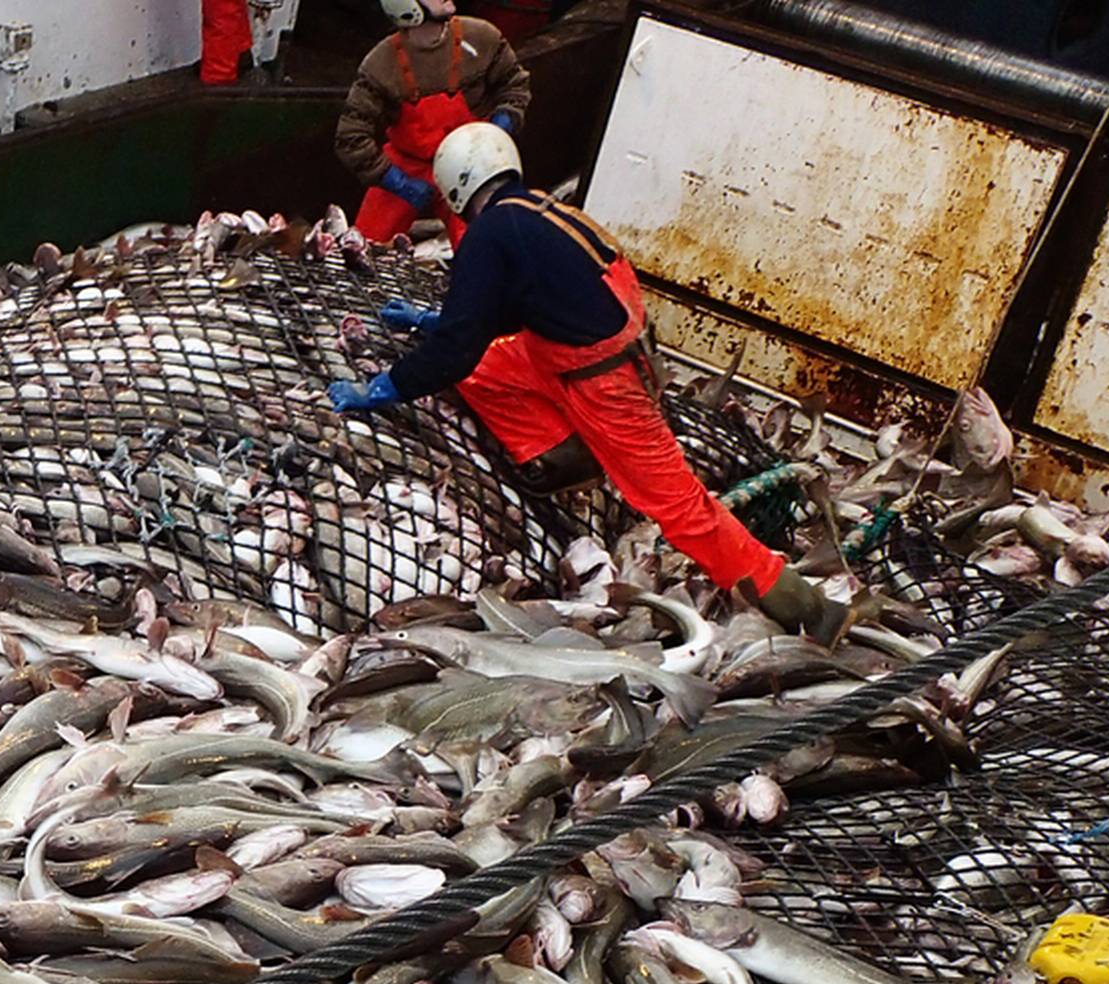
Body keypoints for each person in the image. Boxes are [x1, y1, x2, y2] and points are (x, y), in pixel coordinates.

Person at [326, 122, 844, 638]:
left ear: (455, 185)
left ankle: (810, 610)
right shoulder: (542, 212)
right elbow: (524, 306)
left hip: (605, 383)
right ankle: (564, 457)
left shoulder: (488, 235)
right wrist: (436, 319)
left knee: (681, 509)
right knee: (485, 369)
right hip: (591, 354)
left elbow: (454, 353)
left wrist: (385, 387)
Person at [335, 0, 530, 244]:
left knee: (485, 242)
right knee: (363, 244)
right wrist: (396, 182)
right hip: (409, 165)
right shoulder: (380, 65)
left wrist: (502, 125)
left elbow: (515, 85)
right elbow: (350, 137)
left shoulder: (483, 38)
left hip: (471, 161)